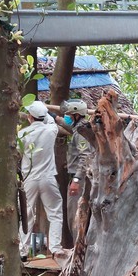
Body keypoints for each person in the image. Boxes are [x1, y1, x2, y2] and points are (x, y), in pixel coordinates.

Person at [18, 100, 66, 259]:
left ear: (29, 117)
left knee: (27, 215)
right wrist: (49, 114)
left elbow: (17, 152)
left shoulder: (22, 134)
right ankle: (55, 248)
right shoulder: (51, 130)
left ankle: (22, 251)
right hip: (47, 178)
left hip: (29, 178)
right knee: (55, 213)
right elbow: (51, 120)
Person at [58, 99, 94, 240]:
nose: (67, 117)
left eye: (69, 114)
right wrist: (54, 117)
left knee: (75, 217)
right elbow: (68, 126)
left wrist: (77, 179)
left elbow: (84, 157)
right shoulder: (82, 128)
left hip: (80, 181)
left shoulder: (80, 133)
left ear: (77, 115)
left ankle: (77, 252)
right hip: (81, 179)